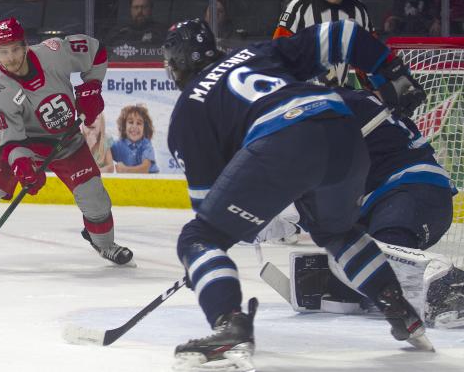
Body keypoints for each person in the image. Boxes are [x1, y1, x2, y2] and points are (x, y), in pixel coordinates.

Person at [163, 18, 429, 370]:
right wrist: (388, 67)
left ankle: (230, 325)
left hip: (284, 141)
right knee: (337, 231)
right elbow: (340, 34)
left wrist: (204, 264)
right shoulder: (254, 52)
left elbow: (210, 211)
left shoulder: (188, 111)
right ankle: (398, 307)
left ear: (177, 65)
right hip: (343, 130)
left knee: (198, 238)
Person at [0, 17, 134, 267]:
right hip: (24, 144)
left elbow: (96, 50)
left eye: (14, 49)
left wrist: (91, 87)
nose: (10, 58)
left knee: (94, 197)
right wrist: (22, 165)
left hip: (66, 141)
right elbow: (11, 140)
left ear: (25, 46)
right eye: (3, 52)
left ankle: (105, 245)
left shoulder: (54, 53)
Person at [257, 88, 461, 328]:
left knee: (384, 256)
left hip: (415, 190)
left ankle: (452, 286)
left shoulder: (339, 104)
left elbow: (312, 179)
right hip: (374, 207)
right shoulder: (310, 111)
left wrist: (272, 212)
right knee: (343, 291)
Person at [273, 0, 374, 87]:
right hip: (303, 94)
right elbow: (278, 50)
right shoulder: (299, 6)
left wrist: (369, 86)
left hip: (340, 94)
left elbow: (369, 53)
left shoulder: (359, 10)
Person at [111, 104, 159, 174]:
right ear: (124, 127)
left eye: (139, 123)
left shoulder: (146, 145)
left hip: (149, 181)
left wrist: (125, 170)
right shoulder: (117, 145)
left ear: (144, 129)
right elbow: (103, 153)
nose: (134, 126)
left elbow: (145, 168)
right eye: (131, 122)